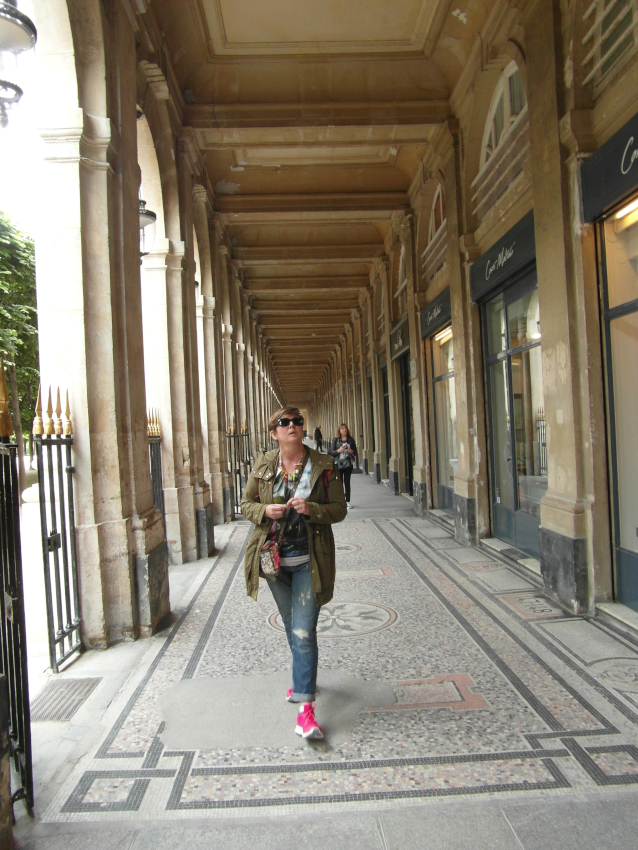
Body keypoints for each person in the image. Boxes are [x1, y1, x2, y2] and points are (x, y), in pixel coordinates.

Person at [241, 407, 347, 740]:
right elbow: (245, 505)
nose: (292, 426)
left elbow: (339, 510)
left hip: (308, 561)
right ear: (273, 433)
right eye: (284, 423)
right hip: (274, 563)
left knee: (304, 631)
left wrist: (311, 509)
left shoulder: (322, 466)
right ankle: (304, 678)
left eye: (297, 421)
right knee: (291, 627)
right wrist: (264, 510)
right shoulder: (262, 465)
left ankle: (306, 711)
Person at [330, 423, 358, 509]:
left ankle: (348, 501)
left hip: (348, 464)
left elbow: (355, 453)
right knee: (339, 483)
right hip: (338, 464)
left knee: (347, 482)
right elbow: (330, 453)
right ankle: (341, 501)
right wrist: (338, 450)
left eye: (345, 428)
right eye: (342, 428)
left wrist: (351, 451)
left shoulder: (351, 440)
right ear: (339, 430)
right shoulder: (336, 440)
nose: (344, 430)